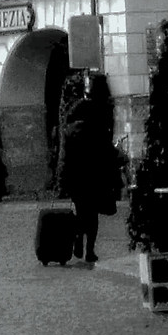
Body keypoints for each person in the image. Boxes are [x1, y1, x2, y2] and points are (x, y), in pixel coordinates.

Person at [55, 74, 120, 266]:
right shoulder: (106, 110)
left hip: (78, 169)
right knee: (92, 212)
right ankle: (89, 248)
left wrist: (63, 171)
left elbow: (66, 139)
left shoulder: (78, 107)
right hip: (98, 170)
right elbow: (107, 141)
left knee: (82, 209)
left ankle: (78, 239)